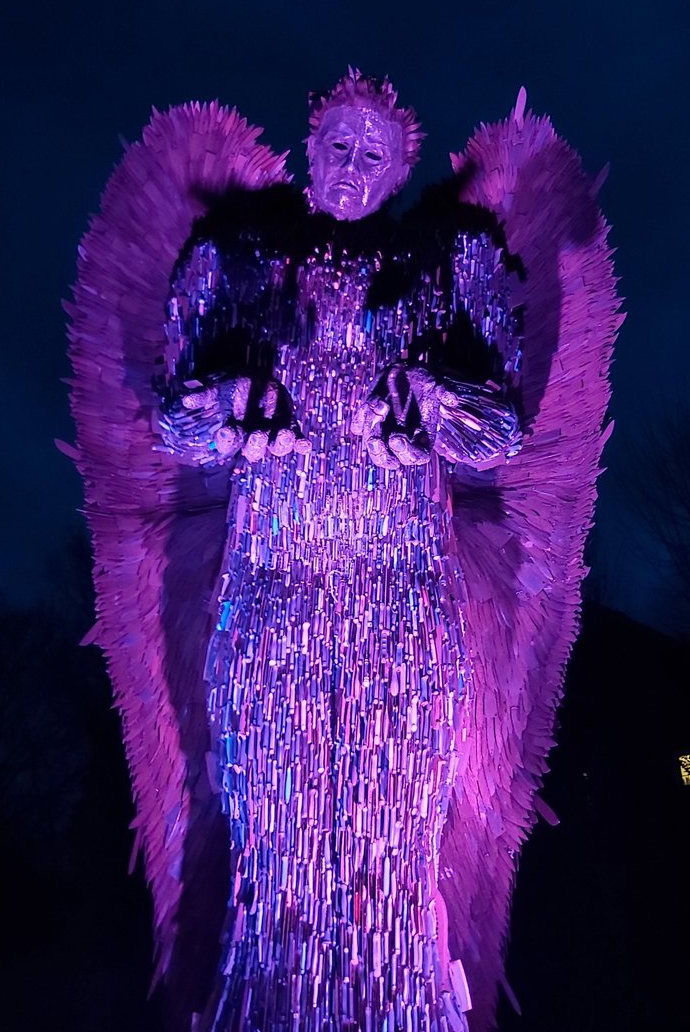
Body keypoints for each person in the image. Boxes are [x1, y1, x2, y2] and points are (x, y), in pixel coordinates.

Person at [65, 69, 620, 1032]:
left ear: (402, 166)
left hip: (401, 617)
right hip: (269, 612)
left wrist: (441, 401)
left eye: (375, 152)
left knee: (389, 872)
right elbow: (173, 418)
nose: (353, 165)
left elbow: (498, 433)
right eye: (338, 146)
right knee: (275, 865)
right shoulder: (235, 255)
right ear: (309, 148)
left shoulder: (453, 262)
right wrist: (225, 406)